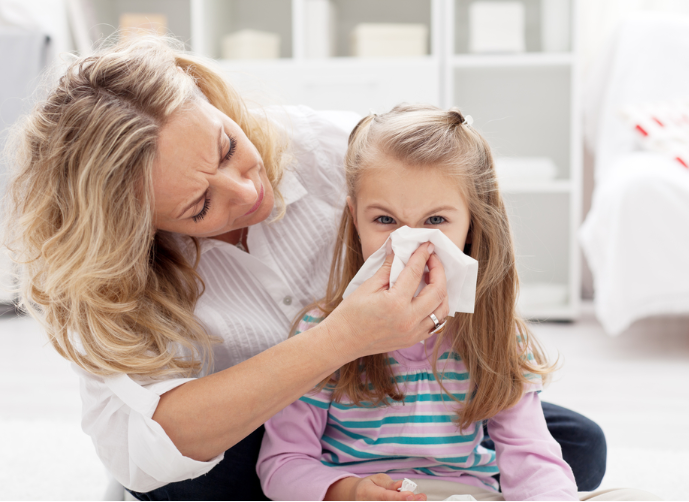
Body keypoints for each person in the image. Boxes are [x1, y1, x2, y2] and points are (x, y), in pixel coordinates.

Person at [4, 37, 603, 500]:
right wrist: (340, 340)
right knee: (188, 483)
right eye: (199, 206)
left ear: (210, 100)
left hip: (377, 405)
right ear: (137, 228)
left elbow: (460, 209)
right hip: (255, 428)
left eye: (227, 148)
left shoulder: (341, 153)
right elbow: (142, 453)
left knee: (576, 446)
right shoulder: (106, 276)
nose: (247, 191)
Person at [257, 105, 658, 501]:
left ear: (472, 223)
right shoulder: (320, 332)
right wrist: (351, 492)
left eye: (436, 221)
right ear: (355, 217)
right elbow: (283, 463)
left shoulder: (492, 334)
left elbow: (531, 457)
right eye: (384, 220)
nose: (410, 244)